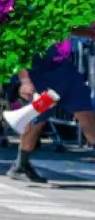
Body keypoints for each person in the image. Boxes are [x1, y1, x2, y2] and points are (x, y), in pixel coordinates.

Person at [8, 37, 95, 183]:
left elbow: (75, 26)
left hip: (67, 74)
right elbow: (16, 50)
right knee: (36, 122)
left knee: (86, 114)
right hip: (40, 75)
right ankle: (21, 165)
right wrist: (25, 81)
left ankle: (21, 165)